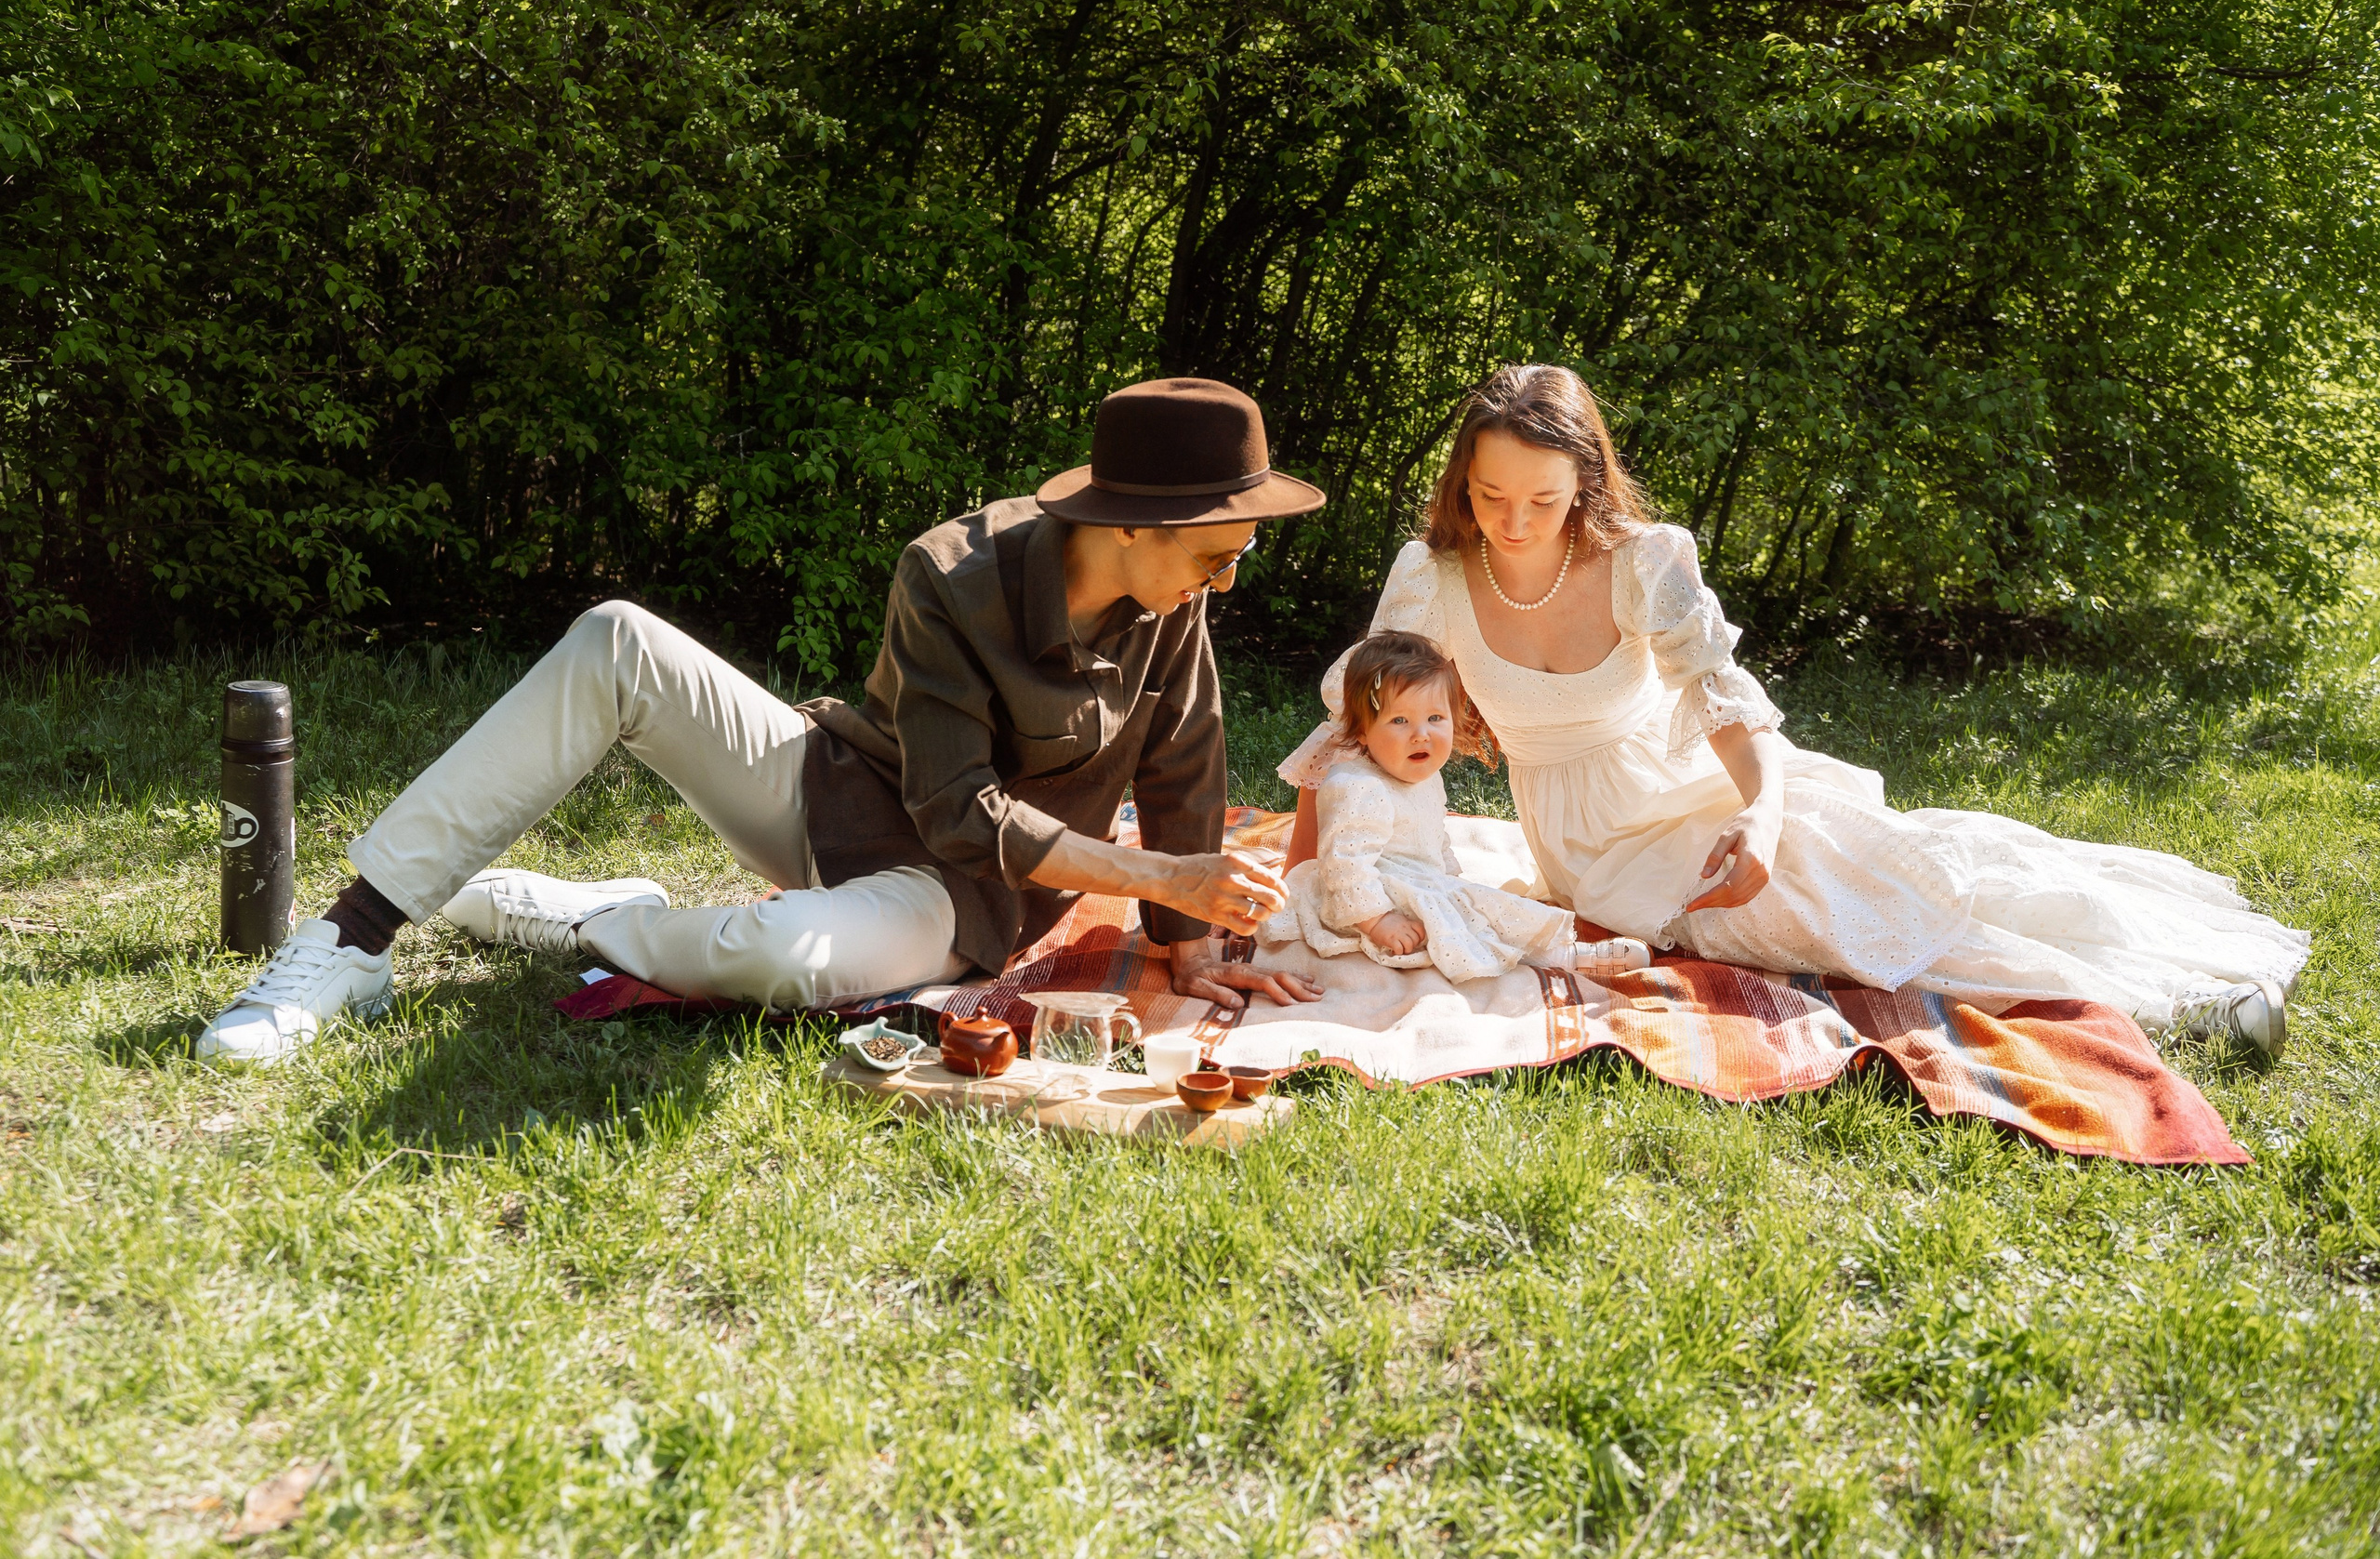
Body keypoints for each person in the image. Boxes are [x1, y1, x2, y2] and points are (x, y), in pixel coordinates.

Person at [199, 377, 1327, 1065]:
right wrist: (1153, 882)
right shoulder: (952, 571)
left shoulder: (1173, 601)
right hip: (849, 799)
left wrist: (1184, 944)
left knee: (786, 954)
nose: (1226, 583)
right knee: (615, 637)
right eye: (1216, 556)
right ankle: (351, 937)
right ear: (1133, 524)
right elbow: (951, 801)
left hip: (962, 898)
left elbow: (1185, 766)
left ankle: (602, 927)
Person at [1281, 364, 2309, 1052]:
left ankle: (2176, 983)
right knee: (1818, 918)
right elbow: (1356, 727)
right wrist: (1299, 876)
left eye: (1541, 501)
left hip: (1704, 785)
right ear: (1462, 483)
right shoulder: (1433, 573)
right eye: (1489, 495)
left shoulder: (1645, 561)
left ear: (1585, 485)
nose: (1509, 522)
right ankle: (2180, 1008)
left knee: (1856, 859)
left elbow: (1725, 702)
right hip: (1589, 843)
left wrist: (1757, 818)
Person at [1262, 630, 1653, 983]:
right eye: (1399, 720)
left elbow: (1434, 837)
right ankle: (1565, 959)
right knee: (1466, 920)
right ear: (1362, 730)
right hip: (1365, 900)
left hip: (1412, 883)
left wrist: (1450, 877)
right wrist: (1378, 921)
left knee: (1476, 907)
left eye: (1435, 718)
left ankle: (1544, 950)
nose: (1421, 735)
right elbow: (1343, 864)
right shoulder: (1359, 788)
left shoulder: (1425, 777)